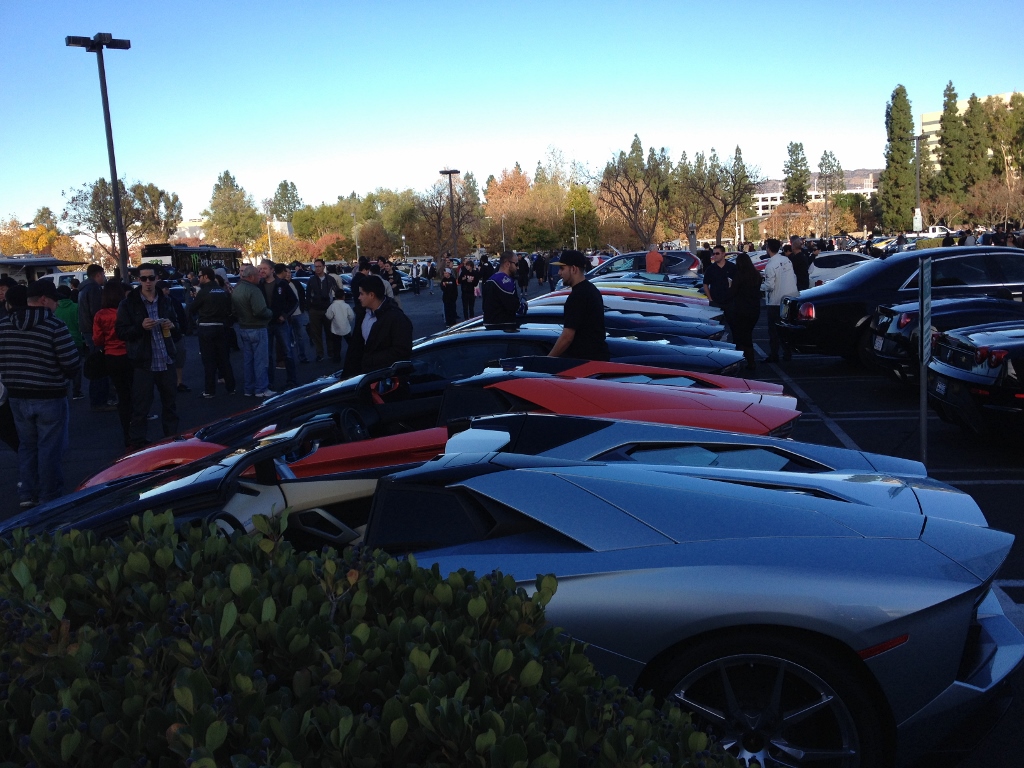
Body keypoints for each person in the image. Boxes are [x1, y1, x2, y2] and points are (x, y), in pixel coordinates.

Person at [0, 280, 79, 507]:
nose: (56, 304)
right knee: (49, 448)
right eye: (54, 300)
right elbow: (71, 362)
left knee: (27, 445)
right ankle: (49, 495)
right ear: (44, 300)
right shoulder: (54, 326)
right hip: (50, 394)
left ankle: (27, 491)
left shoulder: (4, 326)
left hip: (16, 395)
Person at [116, 266, 181, 449]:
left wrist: (172, 325)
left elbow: (179, 325)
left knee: (170, 403)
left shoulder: (166, 300)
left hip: (165, 357)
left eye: (151, 278)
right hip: (143, 361)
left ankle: (172, 439)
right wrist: (140, 327)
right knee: (141, 407)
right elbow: (120, 332)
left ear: (156, 278)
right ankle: (137, 445)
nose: (147, 282)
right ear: (138, 280)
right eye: (143, 279)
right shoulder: (128, 304)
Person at [343, 275, 413, 377]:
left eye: (361, 294)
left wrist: (371, 360)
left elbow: (402, 351)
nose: (359, 298)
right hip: (363, 376)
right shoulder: (363, 314)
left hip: (385, 379)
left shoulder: (396, 318)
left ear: (372, 295)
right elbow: (356, 346)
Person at [547, 250, 609, 361]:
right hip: (598, 359)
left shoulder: (577, 297)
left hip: (585, 363)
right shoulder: (592, 290)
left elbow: (567, 337)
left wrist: (547, 360)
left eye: (562, 268)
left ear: (574, 269)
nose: (559, 273)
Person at [92, 280, 134, 445]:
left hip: (111, 356)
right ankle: (137, 427)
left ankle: (127, 433)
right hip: (130, 355)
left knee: (122, 395)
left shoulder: (100, 315)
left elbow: (97, 340)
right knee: (136, 392)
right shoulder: (127, 310)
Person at [191, 267, 236, 398]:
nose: (198, 279)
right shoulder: (222, 291)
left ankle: (209, 390)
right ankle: (231, 387)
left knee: (209, 361)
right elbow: (229, 309)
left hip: (206, 327)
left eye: (199, 276)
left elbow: (192, 309)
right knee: (224, 359)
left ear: (206, 277)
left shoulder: (204, 292)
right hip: (221, 327)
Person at [231, 265, 274, 398]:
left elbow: (233, 310)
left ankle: (248, 388)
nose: (259, 276)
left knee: (248, 361)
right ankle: (261, 388)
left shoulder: (236, 289)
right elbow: (260, 311)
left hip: (243, 327)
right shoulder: (254, 290)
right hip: (257, 327)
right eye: (257, 275)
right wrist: (271, 313)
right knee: (261, 360)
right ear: (251, 277)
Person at [260, 261, 298, 391]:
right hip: (266, 323)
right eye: (260, 269)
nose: (262, 271)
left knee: (287, 352)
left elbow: (294, 302)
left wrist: (285, 315)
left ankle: (292, 380)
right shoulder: (260, 285)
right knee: (268, 354)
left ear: (272, 270)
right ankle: (269, 382)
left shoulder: (281, 284)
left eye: (264, 268)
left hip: (280, 323)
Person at [77, 263, 110, 412]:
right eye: (103, 275)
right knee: (100, 366)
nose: (104, 278)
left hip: (86, 330)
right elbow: (97, 313)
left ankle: (97, 400)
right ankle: (100, 401)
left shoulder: (82, 289)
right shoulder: (94, 289)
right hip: (94, 332)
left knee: (95, 364)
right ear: (98, 274)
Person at [762, 238, 798, 363]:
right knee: (785, 329)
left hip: (775, 301)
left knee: (773, 331)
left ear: (768, 248)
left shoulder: (770, 265)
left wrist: (759, 286)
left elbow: (770, 285)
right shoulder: (786, 260)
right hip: (789, 298)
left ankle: (774, 354)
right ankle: (787, 353)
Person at [729, 253, 762, 370]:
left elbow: (733, 293)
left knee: (741, 336)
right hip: (754, 309)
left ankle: (746, 360)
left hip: (741, 309)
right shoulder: (756, 275)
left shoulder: (739, 276)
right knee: (747, 334)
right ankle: (749, 360)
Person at [54, 284, 85, 400]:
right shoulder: (76, 307)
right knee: (77, 366)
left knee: (60, 367)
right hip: (76, 340)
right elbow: (80, 324)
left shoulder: (55, 308)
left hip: (58, 341)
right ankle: (77, 391)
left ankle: (64, 391)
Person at [306, 258, 340, 362]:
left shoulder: (330, 279)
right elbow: (307, 295)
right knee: (316, 333)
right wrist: (309, 308)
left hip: (327, 309)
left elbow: (337, 292)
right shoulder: (311, 280)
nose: (317, 268)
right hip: (315, 310)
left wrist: (336, 305)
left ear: (324, 267)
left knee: (329, 332)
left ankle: (330, 352)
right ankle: (319, 354)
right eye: (315, 266)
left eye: (319, 266)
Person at [159, 281, 191, 392]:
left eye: (167, 288)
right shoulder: (157, 303)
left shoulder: (174, 302)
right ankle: (170, 383)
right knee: (168, 361)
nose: (166, 291)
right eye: (164, 289)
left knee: (179, 359)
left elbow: (182, 317)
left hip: (175, 334)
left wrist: (182, 330)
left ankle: (178, 382)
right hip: (165, 335)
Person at [483, 251, 528, 325]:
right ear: (507, 264)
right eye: (516, 264)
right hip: (505, 327)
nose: (517, 267)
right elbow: (516, 307)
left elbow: (484, 307)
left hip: (489, 327)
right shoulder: (506, 281)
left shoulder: (489, 280)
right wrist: (524, 304)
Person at [282, 265, 311, 363]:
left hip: (298, 314)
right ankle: (289, 359)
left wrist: (303, 308)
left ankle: (302, 356)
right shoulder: (281, 285)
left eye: (290, 272)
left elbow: (302, 295)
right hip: (287, 316)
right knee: (287, 339)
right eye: (286, 272)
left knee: (300, 337)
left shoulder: (296, 283)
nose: (288, 274)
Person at [325, 292, 355, 360]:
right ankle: (353, 354)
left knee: (336, 344)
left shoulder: (332, 306)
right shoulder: (346, 305)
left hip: (336, 328)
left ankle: (337, 357)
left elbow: (328, 316)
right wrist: (349, 320)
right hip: (346, 327)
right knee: (350, 342)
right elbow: (351, 316)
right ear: (343, 297)